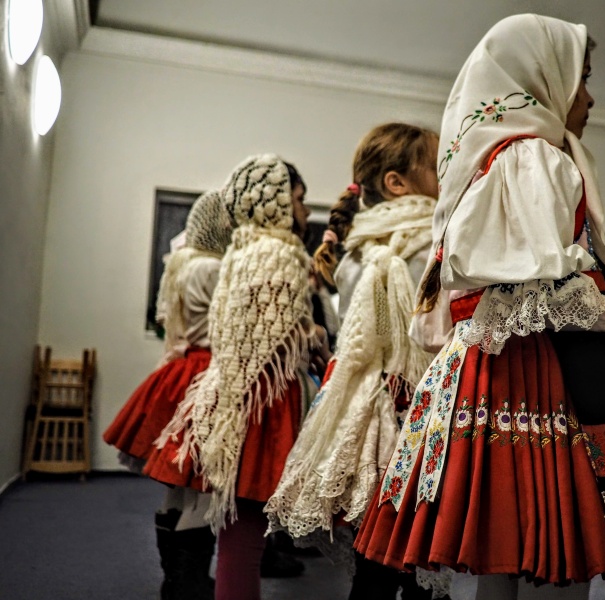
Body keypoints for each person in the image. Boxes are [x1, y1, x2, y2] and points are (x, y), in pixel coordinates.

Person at [354, 14, 605, 600]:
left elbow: (451, 311)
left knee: (506, 562)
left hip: (485, 372)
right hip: (536, 376)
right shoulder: (533, 158)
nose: (590, 98)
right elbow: (538, 293)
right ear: (543, 78)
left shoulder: (481, 162)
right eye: (582, 78)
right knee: (550, 558)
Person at [265, 122, 442, 600]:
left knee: (377, 560)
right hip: (414, 413)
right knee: (417, 555)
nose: (447, 172)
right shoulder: (433, 245)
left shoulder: (355, 252)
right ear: (396, 182)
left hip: (364, 414)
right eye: (436, 164)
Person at [149, 155, 319, 600]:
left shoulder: (238, 251)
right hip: (263, 402)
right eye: (299, 199)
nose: (304, 210)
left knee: (229, 526)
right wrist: (312, 336)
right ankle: (190, 582)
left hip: (230, 389)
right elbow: (276, 339)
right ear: (276, 201)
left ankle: (185, 582)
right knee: (242, 532)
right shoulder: (278, 253)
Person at [102, 189, 231, 600]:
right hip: (207, 374)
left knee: (176, 487)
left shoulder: (181, 263)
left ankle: (174, 580)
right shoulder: (213, 267)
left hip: (182, 370)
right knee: (200, 491)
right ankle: (190, 584)